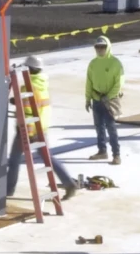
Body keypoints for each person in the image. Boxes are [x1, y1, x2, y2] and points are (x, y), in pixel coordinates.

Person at [9, 56, 78, 201]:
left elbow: (28, 110)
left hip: (28, 129)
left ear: (29, 69)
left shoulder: (27, 87)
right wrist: (17, 101)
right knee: (48, 157)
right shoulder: (42, 84)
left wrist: (27, 132)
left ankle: (9, 189)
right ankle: (69, 183)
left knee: (14, 160)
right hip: (42, 127)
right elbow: (36, 104)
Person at [85, 34, 123, 164]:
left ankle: (116, 154)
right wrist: (87, 98)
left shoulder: (115, 63)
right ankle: (102, 151)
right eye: (97, 47)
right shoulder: (93, 64)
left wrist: (109, 96)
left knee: (111, 127)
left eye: (103, 47)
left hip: (110, 101)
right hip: (96, 99)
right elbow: (89, 82)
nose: (100, 49)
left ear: (108, 47)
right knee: (99, 127)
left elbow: (119, 83)